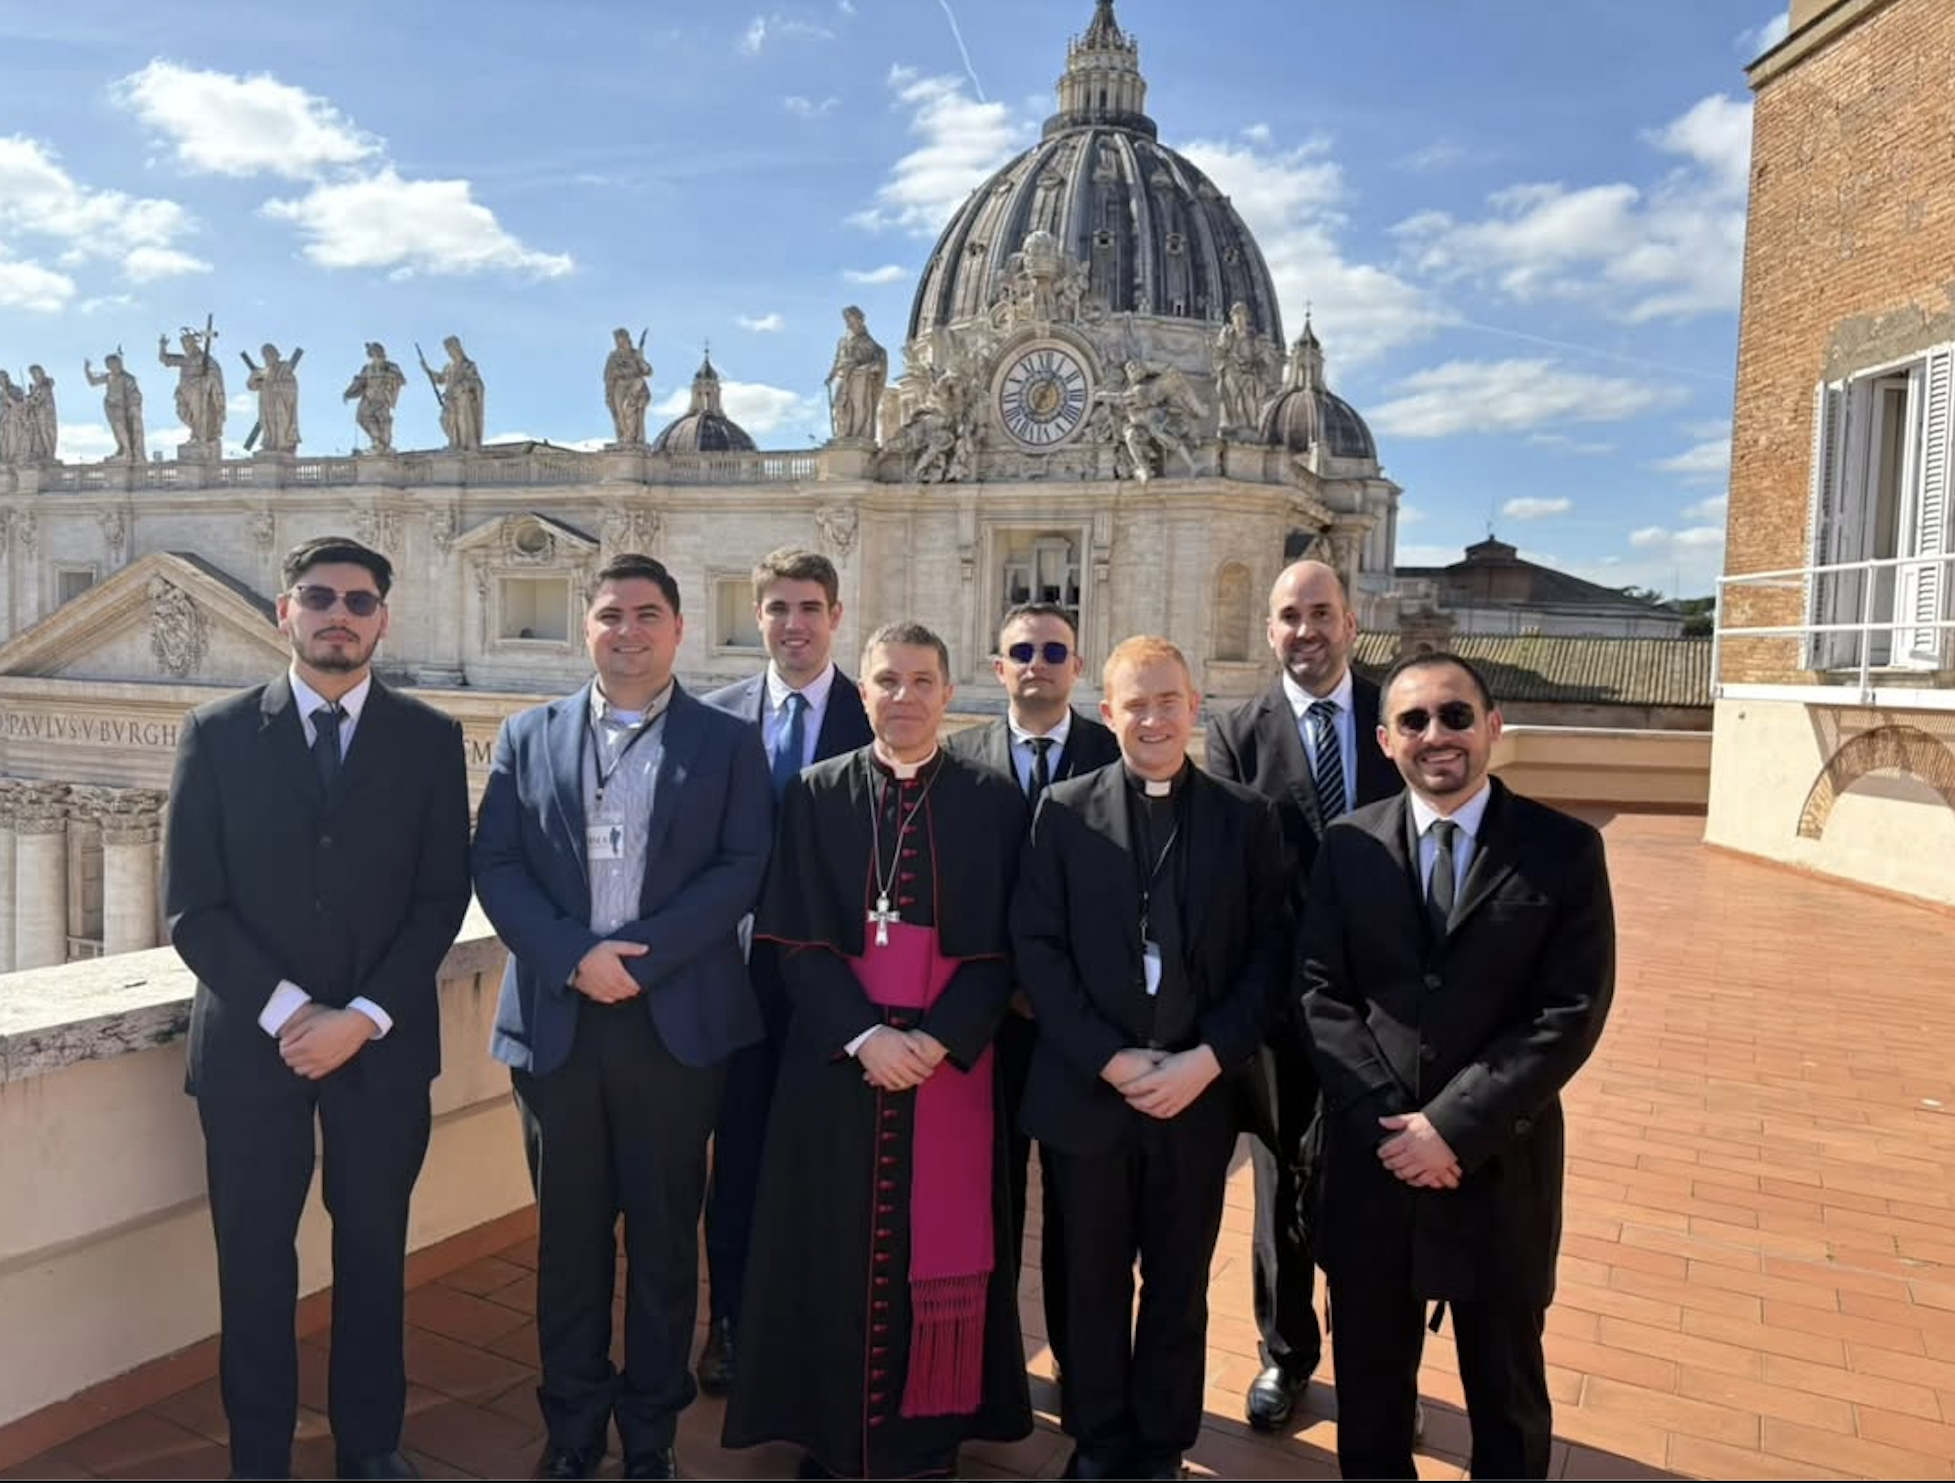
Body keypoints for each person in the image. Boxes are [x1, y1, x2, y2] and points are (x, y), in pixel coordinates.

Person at [162, 535, 472, 1482]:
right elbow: (191, 908)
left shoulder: (428, 738)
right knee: (253, 1266)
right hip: (254, 1053)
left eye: (360, 599)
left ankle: (369, 1443)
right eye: (319, 596)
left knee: (375, 1255)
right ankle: (259, 1454)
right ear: (283, 613)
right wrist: (299, 1013)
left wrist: (362, 1015)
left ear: (383, 618)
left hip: (381, 1047)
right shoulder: (214, 733)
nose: (340, 612)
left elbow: (439, 898)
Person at [472, 554, 772, 1481]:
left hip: (672, 1022)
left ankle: (649, 1437)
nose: (628, 631)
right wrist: (575, 956)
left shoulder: (725, 743)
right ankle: (571, 1432)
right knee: (567, 1243)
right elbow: (498, 864)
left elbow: (740, 866)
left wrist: (638, 956)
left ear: (677, 630)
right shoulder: (528, 735)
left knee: (663, 1239)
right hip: (558, 1025)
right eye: (610, 615)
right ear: (586, 627)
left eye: (647, 614)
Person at [723, 622, 1033, 1479]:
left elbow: (1001, 951)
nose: (904, 696)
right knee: (826, 1250)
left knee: (938, 1254)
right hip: (835, 1062)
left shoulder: (991, 798)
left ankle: (923, 1439)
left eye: (921, 680)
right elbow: (797, 942)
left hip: (950, 1066)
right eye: (886, 681)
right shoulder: (816, 793)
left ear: (948, 690)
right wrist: (865, 1037)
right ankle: (829, 1434)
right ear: (862, 693)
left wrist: (933, 1041)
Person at [1300, 652, 1616, 1480]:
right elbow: (1318, 993)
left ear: (1492, 728)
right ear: (1384, 738)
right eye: (1412, 721)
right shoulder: (1344, 845)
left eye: (1454, 716)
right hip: (1372, 1165)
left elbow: (1568, 1012)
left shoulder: (1562, 850)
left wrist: (1452, 1127)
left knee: (1506, 1394)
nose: (1435, 735)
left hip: (1497, 1165)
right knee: (1368, 1392)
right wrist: (1392, 1125)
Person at [1012, 637, 1291, 1481]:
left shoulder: (1246, 818)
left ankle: (1161, 1445)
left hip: (1196, 1095)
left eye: (1168, 701)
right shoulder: (1061, 809)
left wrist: (1207, 1059)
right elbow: (1037, 947)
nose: (1153, 718)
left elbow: (1270, 956)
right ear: (1108, 712)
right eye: (1135, 703)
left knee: (1176, 1282)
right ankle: (1097, 1439)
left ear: (1194, 706)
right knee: (1086, 1280)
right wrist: (1106, 1057)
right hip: (1089, 1092)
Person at [1205, 558, 1401, 1433]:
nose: (1305, 630)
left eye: (1321, 612)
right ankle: (1285, 1353)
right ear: (1270, 627)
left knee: (1387, 1189)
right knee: (1283, 1183)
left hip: (1390, 1008)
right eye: (1289, 615)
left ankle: (1381, 1374)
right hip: (1285, 1009)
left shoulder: (1399, 717)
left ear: (1350, 623)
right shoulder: (1235, 732)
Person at [696, 546, 873, 1396]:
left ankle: (817, 1327)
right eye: (777, 608)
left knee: (828, 1162)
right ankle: (729, 1324)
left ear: (835, 615)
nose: (793, 624)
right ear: (756, 615)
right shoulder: (714, 719)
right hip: (734, 982)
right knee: (734, 1163)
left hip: (839, 990)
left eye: (809, 607)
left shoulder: (875, 717)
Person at [943, 601, 1120, 1400]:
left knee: (1083, 1219)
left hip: (1077, 1027)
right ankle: (990, 1376)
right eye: (1023, 649)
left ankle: (1084, 1380)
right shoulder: (958, 758)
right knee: (988, 1205)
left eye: (1055, 650)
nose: (1038, 662)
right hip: (984, 1027)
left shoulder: (1115, 756)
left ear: (1076, 667)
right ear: (998, 664)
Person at [1212, 300, 1277, 432]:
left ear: (1247, 318)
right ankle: (1232, 420)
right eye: (1237, 316)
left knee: (1248, 387)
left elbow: (1260, 359)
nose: (1239, 320)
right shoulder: (1227, 334)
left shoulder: (1253, 338)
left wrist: (1259, 366)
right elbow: (1220, 353)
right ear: (1232, 318)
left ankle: (1251, 423)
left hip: (1249, 373)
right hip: (1231, 369)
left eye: (1242, 316)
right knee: (1228, 381)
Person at [825, 304, 887, 443]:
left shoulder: (868, 342)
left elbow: (879, 363)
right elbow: (838, 359)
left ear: (859, 320)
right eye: (846, 319)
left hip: (860, 377)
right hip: (843, 375)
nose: (848, 322)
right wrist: (831, 375)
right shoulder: (842, 341)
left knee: (859, 404)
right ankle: (843, 432)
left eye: (851, 319)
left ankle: (859, 435)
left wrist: (865, 368)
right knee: (838, 404)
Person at [159, 327, 226, 445]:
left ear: (194, 344)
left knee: (199, 414)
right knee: (183, 412)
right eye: (184, 345)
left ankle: (199, 436)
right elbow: (165, 359)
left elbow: (215, 373)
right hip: (184, 393)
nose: (186, 347)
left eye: (188, 344)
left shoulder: (204, 359)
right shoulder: (184, 359)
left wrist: (205, 380)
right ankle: (196, 434)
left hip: (199, 392)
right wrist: (162, 345)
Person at [345, 343, 407, 453]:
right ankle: (377, 442)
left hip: (382, 400)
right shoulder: (367, 368)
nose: (374, 356)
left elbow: (402, 380)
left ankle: (383, 445)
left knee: (384, 422)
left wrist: (391, 377)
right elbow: (359, 382)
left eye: (376, 352)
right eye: (372, 354)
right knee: (362, 418)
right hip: (368, 400)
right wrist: (348, 393)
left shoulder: (391, 366)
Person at [84, 352, 143, 463]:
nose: (111, 367)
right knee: (116, 430)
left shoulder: (127, 378)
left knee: (122, 429)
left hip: (121, 408)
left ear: (118, 363)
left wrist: (133, 407)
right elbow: (93, 382)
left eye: (112, 364)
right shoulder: (108, 377)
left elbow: (136, 394)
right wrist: (86, 370)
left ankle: (128, 452)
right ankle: (121, 449)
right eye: (108, 365)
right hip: (109, 407)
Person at [429, 335, 484, 451]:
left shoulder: (468, 365)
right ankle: (454, 443)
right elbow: (440, 379)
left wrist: (462, 386)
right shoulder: (448, 366)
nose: (449, 353)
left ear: (457, 348)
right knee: (444, 420)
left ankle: (462, 445)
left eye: (450, 349)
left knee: (462, 422)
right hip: (449, 401)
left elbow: (477, 383)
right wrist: (429, 371)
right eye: (447, 350)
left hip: (462, 401)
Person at [245, 343, 302, 454]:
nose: (266, 357)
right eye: (264, 355)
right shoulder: (264, 371)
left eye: (268, 354)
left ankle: (282, 446)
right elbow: (251, 386)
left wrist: (276, 386)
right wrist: (253, 377)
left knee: (281, 424)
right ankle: (269, 445)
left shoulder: (284, 369)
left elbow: (292, 387)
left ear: (275, 354)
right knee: (267, 424)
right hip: (266, 405)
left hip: (280, 404)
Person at [604, 328, 654, 446]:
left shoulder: (635, 354)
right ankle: (623, 438)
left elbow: (648, 371)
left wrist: (641, 360)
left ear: (626, 339)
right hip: (619, 388)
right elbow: (608, 374)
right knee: (619, 413)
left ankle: (631, 438)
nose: (619, 342)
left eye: (621, 339)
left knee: (630, 411)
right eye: (617, 340)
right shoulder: (613, 356)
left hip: (635, 387)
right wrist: (608, 391)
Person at [23, 364, 57, 464]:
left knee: (44, 432)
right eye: (32, 374)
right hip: (37, 414)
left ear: (41, 373)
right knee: (36, 434)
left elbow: (37, 400)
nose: (33, 376)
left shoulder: (45, 387)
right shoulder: (36, 387)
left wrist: (28, 400)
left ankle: (49, 454)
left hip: (45, 414)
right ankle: (40, 452)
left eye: (35, 373)